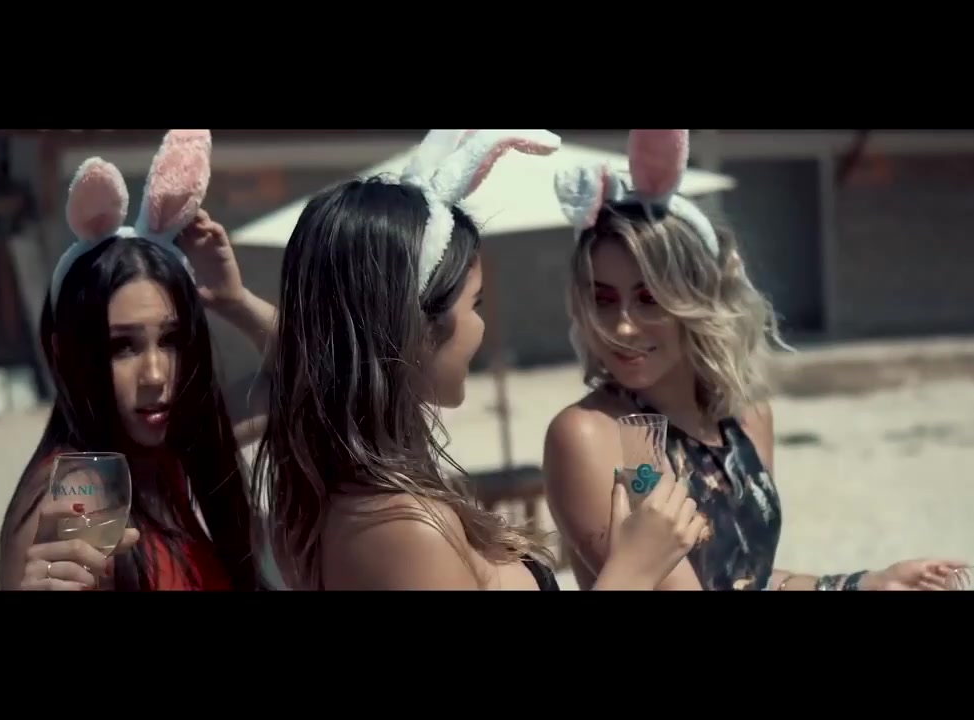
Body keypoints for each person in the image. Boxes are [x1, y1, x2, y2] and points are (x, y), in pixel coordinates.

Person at [252, 129, 706, 591]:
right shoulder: (397, 530)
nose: (481, 327)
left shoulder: (369, 500)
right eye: (476, 304)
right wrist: (634, 568)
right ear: (417, 324)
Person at [544, 129, 963, 591]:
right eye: (603, 300)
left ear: (700, 298)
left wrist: (863, 583)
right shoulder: (591, 435)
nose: (622, 327)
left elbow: (747, 580)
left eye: (649, 298)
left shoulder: (747, 418)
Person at [0, 130, 279, 591]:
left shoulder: (168, 452)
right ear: (67, 352)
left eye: (170, 341)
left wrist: (235, 300)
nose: (154, 374)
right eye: (122, 347)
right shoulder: (87, 489)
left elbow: (315, 377)